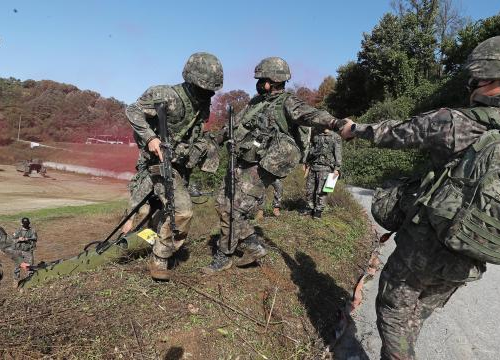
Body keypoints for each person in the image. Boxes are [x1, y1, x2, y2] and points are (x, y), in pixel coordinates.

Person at [339, 36, 500, 359]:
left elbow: (395, 133)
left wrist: (354, 128)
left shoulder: (456, 121)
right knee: (416, 314)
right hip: (471, 255)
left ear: (484, 76)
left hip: (425, 248)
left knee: (393, 310)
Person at [203, 57, 347, 274]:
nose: (259, 83)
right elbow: (234, 125)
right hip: (243, 159)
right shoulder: (256, 103)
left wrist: (337, 123)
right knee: (222, 202)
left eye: (262, 79)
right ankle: (252, 245)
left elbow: (313, 115)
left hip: (263, 165)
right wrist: (215, 139)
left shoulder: (288, 102)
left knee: (234, 206)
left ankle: (224, 256)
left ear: (272, 80)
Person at [123, 52, 223, 281]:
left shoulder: (202, 104)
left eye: (211, 90)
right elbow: (133, 110)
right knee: (144, 214)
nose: (207, 93)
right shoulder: (166, 95)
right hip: (154, 165)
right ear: (191, 79)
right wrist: (150, 138)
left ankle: (159, 256)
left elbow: (195, 133)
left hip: (178, 167)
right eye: (203, 88)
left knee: (169, 212)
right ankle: (144, 253)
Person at [302, 128, 342, 218]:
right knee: (309, 189)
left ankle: (318, 210)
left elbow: (338, 154)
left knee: (322, 191)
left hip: (326, 167)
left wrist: (337, 168)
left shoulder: (335, 137)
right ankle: (310, 208)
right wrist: (305, 162)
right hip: (313, 166)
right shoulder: (316, 134)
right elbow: (309, 149)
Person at [11, 217, 38, 284]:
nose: (26, 226)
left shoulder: (32, 230)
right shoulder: (18, 231)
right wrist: (18, 239)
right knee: (17, 266)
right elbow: (12, 240)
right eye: (24, 224)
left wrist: (27, 239)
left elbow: (35, 238)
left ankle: (30, 279)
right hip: (19, 251)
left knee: (30, 266)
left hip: (28, 251)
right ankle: (15, 280)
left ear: (29, 223)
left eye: (27, 224)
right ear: (22, 224)